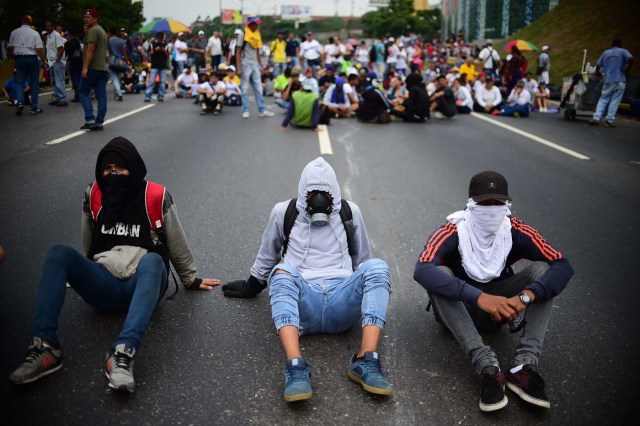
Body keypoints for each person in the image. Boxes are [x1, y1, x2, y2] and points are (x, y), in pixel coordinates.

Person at [8, 136, 220, 392]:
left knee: (154, 260)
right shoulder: (94, 194)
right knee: (58, 253)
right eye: (107, 169)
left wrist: (191, 279)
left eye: (120, 168)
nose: (113, 173)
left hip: (143, 285)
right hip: (105, 283)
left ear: (134, 168)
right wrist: (78, 274)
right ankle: (45, 347)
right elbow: (89, 243)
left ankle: (122, 355)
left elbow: (175, 239)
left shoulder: (154, 195)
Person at [222, 157, 392, 402]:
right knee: (281, 271)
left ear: (335, 190)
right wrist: (253, 284)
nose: (320, 198)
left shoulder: (349, 211)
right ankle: (296, 367)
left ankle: (366, 360)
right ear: (303, 191)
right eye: (313, 192)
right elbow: (269, 253)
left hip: (341, 303)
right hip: (303, 307)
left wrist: (372, 287)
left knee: (377, 266)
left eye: (326, 192)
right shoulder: (284, 212)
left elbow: (362, 258)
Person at [413, 171, 573, 412]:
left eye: (497, 204)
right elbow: (422, 269)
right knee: (440, 275)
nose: (491, 210)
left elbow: (562, 265)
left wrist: (525, 297)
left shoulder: (515, 230)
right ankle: (487, 367)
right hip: (458, 312)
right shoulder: (453, 229)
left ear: (506, 205)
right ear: (470, 205)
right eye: (484, 203)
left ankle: (523, 367)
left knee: (542, 269)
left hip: (499, 311)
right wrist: (479, 297)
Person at [7, 14, 46, 116]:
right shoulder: (35, 33)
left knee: (20, 81)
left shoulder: (14, 32)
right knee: (34, 82)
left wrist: (14, 57)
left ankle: (19, 102)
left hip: (19, 58)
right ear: (30, 22)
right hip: (32, 58)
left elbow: (11, 47)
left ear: (21, 21)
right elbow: (38, 49)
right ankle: (34, 107)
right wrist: (43, 60)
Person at [590, 39, 634, 128]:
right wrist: (628, 68)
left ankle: (596, 117)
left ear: (612, 45)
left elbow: (598, 65)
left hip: (608, 80)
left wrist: (598, 73)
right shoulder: (623, 51)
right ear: (620, 44)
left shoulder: (606, 53)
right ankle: (609, 121)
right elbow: (631, 58)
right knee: (615, 101)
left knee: (603, 99)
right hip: (620, 80)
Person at [236, 16, 274, 118]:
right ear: (250, 24)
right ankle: (246, 109)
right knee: (244, 88)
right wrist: (238, 68)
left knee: (258, 88)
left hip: (255, 65)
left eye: (257, 23)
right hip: (245, 64)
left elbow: (257, 52)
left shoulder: (257, 35)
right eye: (255, 23)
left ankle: (262, 110)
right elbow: (238, 51)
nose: (256, 25)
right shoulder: (242, 34)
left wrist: (261, 66)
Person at [79, 8, 108, 131]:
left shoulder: (93, 30)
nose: (86, 19)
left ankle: (90, 119)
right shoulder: (102, 31)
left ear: (95, 18)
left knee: (83, 91)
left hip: (93, 68)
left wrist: (85, 68)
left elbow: (91, 50)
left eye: (88, 17)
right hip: (102, 69)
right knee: (101, 96)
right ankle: (99, 122)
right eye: (85, 17)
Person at [45, 20, 68, 106]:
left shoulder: (56, 35)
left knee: (59, 81)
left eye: (49, 25)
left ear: (53, 26)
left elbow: (61, 48)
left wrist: (57, 59)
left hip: (57, 62)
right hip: (51, 62)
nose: (47, 27)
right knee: (54, 81)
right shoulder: (49, 36)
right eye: (46, 26)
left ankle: (63, 99)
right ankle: (57, 97)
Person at [144, 31, 168, 103]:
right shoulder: (152, 44)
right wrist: (155, 50)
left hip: (163, 65)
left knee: (162, 82)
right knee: (152, 81)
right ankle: (147, 96)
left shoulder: (165, 44)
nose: (161, 39)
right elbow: (149, 53)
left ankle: (161, 96)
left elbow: (167, 54)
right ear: (157, 38)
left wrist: (164, 51)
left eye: (162, 38)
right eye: (160, 38)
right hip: (154, 65)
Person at [107, 28, 128, 102]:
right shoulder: (121, 41)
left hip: (112, 60)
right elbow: (124, 52)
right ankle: (116, 93)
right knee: (118, 77)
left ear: (110, 33)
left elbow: (107, 52)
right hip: (120, 61)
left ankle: (119, 92)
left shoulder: (109, 40)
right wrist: (126, 60)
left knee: (114, 78)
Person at [64, 29, 83, 102]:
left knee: (75, 81)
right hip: (80, 62)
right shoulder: (78, 42)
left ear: (70, 35)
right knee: (80, 80)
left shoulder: (67, 43)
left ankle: (78, 96)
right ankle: (81, 95)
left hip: (72, 63)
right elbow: (80, 50)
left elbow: (65, 54)